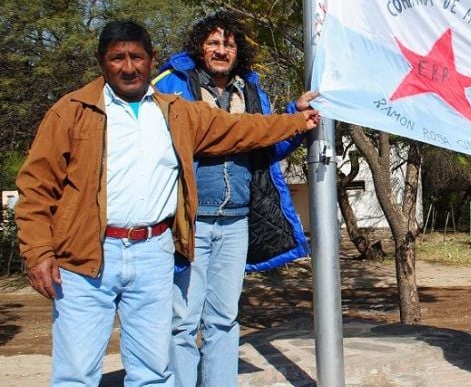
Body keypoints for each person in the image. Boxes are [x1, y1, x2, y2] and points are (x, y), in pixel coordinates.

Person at [14, 20, 319, 386]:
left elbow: (243, 129)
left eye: (136, 57)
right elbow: (36, 186)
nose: (128, 67)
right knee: (76, 374)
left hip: (153, 254)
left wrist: (296, 120)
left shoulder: (175, 112)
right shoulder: (72, 111)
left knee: (153, 374)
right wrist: (38, 252)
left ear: (150, 59)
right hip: (86, 257)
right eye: (117, 58)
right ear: (101, 61)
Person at [152, 11, 316, 387]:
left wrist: (295, 117)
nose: (221, 50)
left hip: (237, 220)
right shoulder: (171, 84)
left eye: (228, 44)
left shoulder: (252, 90)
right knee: (183, 321)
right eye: (213, 43)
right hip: (188, 221)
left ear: (237, 50)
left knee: (224, 319)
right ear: (199, 47)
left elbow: (268, 144)